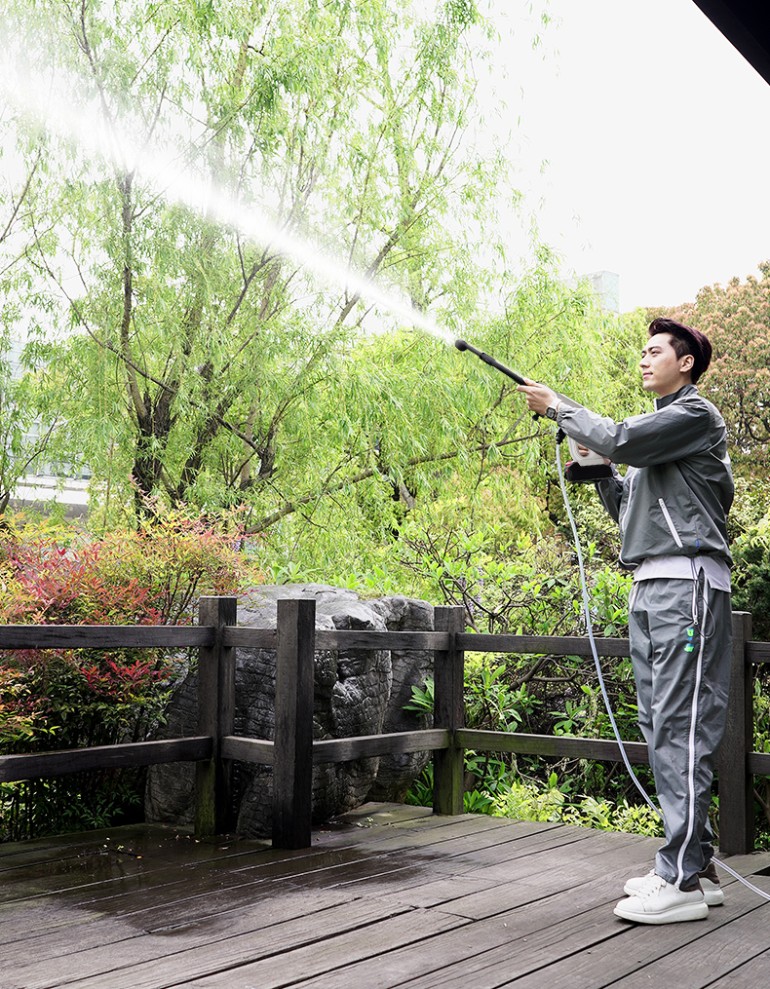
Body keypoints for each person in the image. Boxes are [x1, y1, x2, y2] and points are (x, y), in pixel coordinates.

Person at [518, 317, 734, 925]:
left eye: (654, 352)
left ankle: (682, 879)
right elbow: (631, 510)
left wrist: (561, 406)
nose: (643, 360)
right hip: (652, 584)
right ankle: (697, 870)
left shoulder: (694, 417)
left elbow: (621, 435)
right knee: (661, 723)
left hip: (684, 586)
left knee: (679, 726)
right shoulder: (655, 442)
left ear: (685, 363)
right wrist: (601, 474)